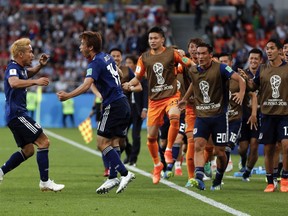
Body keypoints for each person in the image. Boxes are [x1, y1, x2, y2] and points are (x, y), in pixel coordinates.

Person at [57, 31, 135, 194]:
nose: (80, 48)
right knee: (113, 142)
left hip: (113, 105)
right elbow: (119, 73)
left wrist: (67, 95)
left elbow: (86, 85)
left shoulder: (95, 63)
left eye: (82, 44)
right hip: (122, 103)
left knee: (101, 143)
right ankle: (112, 177)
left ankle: (125, 173)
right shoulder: (107, 57)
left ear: (90, 47)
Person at [122, 26, 194, 184]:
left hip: (171, 96)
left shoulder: (171, 53)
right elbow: (138, 77)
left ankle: (168, 150)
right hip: (154, 101)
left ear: (162, 39)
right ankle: (157, 165)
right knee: (151, 138)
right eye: (150, 38)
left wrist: (194, 64)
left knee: (175, 116)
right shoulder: (144, 57)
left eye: (155, 38)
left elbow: (189, 64)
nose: (152, 41)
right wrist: (129, 84)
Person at [0, 38, 65, 192]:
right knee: (44, 142)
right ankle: (45, 182)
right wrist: (36, 82)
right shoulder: (13, 68)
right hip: (17, 114)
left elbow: (27, 73)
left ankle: (1, 171)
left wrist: (40, 66)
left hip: (13, 115)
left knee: (28, 150)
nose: (32, 54)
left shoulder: (20, 68)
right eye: (29, 51)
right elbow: (14, 83)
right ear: (20, 54)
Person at [179, 43, 246, 190]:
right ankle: (198, 177)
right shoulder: (194, 70)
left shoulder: (221, 68)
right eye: (198, 54)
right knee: (198, 145)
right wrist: (185, 98)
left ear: (210, 55)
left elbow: (240, 79)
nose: (200, 57)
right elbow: (194, 84)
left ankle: (219, 177)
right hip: (202, 116)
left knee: (219, 152)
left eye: (203, 54)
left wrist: (241, 93)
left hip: (219, 116)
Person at [252, 39, 288, 192]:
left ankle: (285, 178)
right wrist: (245, 81)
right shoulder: (262, 68)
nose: (269, 51)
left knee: (286, 145)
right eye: (267, 48)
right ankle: (270, 181)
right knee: (269, 149)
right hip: (267, 115)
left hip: (285, 114)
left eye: (272, 48)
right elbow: (253, 87)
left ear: (280, 51)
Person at [237, 48, 263, 181]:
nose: (253, 61)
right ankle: (242, 159)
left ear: (260, 61)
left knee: (254, 145)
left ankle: (248, 170)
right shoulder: (242, 74)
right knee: (243, 148)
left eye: (256, 59)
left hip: (259, 115)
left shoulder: (264, 74)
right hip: (244, 115)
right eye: (251, 58)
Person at [124, 54, 148, 166]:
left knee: (135, 135)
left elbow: (145, 94)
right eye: (126, 63)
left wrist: (145, 108)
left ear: (134, 64)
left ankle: (133, 159)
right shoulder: (126, 76)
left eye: (129, 63)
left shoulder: (142, 77)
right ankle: (129, 153)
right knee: (122, 134)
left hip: (138, 109)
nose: (127, 65)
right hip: (128, 108)